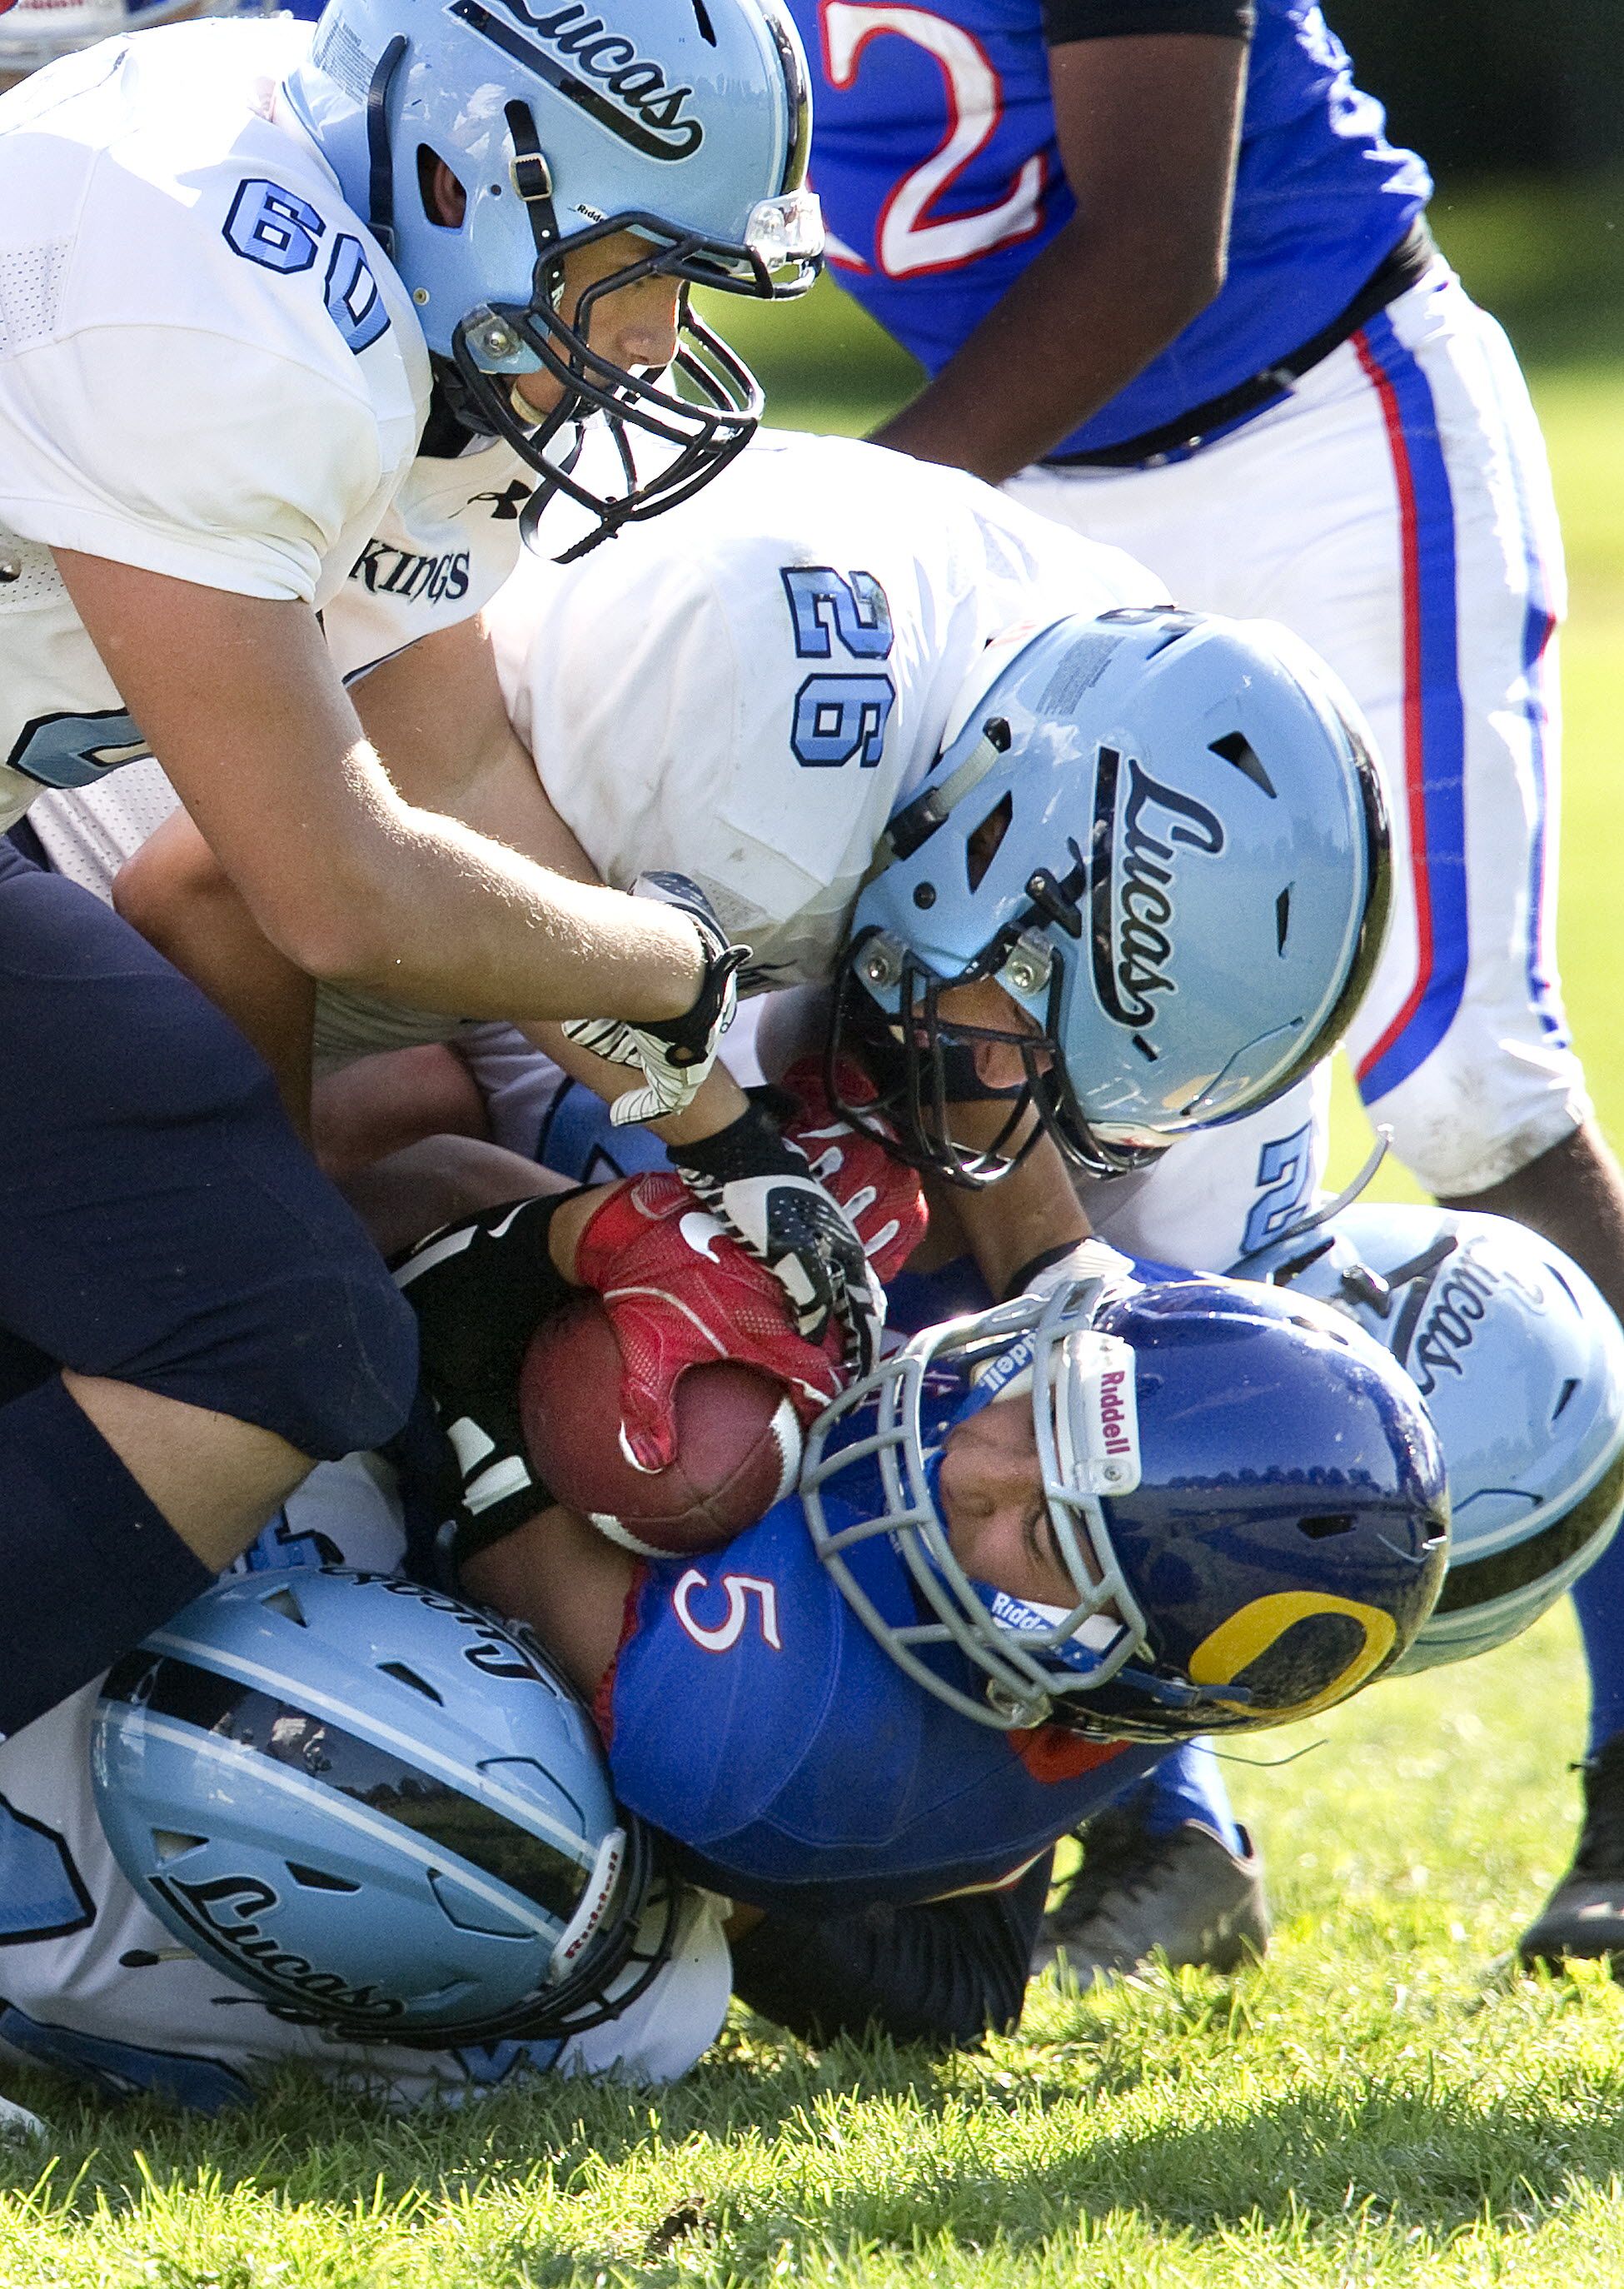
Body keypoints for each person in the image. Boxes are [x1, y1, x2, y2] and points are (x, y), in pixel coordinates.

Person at [790, 0, 1624, 1966]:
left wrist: (841, 526)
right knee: (986, 1099)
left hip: (1319, 435)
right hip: (1030, 509)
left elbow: (1156, 239)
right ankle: (1161, 1819)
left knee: (1472, 1088)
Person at [0, 0, 824, 1740]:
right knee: (262, 1332)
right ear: (468, 170)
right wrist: (679, 971)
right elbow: (335, 885)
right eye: (635, 266)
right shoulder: (221, 288)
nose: (661, 339)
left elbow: (444, 762)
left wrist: (720, 1132)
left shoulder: (363, 241)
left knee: (234, 1302)